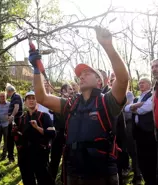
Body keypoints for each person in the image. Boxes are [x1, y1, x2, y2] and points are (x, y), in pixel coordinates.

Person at [30, 26, 129, 184]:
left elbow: (123, 79)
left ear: (99, 81)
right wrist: (36, 70)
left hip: (101, 175)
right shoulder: (70, 104)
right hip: (73, 173)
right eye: (80, 75)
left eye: (87, 73)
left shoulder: (107, 101)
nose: (81, 77)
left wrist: (108, 46)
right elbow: (41, 97)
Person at [13, 91, 56, 185]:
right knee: (28, 180)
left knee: (45, 180)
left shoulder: (44, 116)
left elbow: (52, 133)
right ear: (25, 102)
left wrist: (37, 128)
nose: (31, 100)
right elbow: (17, 137)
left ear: (37, 102)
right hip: (25, 156)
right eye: (29, 98)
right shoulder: (21, 118)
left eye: (33, 98)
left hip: (40, 155)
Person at [124, 78, 156, 185]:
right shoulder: (137, 98)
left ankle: (153, 180)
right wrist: (138, 105)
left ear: (149, 84)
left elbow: (145, 110)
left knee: (151, 157)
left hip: (149, 132)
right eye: (140, 83)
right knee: (141, 158)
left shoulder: (152, 95)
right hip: (138, 132)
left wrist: (133, 107)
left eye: (143, 82)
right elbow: (126, 109)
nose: (141, 84)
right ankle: (147, 179)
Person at [49, 84, 73, 181]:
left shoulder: (73, 103)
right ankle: (50, 180)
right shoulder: (57, 102)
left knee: (67, 160)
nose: (72, 91)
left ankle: (64, 179)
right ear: (63, 91)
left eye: (72, 89)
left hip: (69, 135)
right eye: (69, 89)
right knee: (55, 159)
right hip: (58, 134)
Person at [6, 83, 23, 164]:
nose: (7, 94)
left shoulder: (16, 96)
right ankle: (11, 158)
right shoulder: (14, 97)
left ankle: (18, 159)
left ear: (9, 91)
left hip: (15, 122)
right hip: (13, 121)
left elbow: (17, 108)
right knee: (10, 139)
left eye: (7, 92)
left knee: (16, 140)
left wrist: (11, 116)